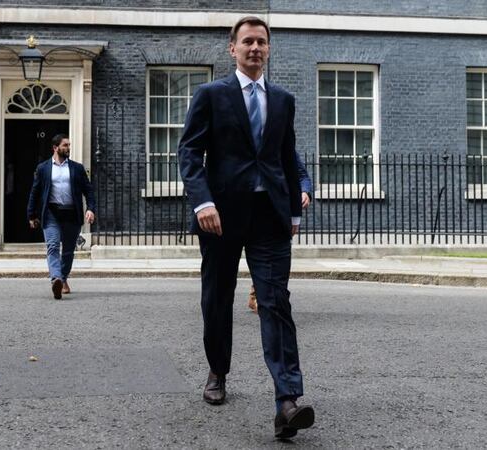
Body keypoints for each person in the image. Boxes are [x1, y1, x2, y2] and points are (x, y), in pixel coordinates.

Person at [177, 16, 315, 439]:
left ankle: (287, 401)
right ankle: (218, 370)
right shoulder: (211, 95)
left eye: (262, 42)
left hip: (270, 216)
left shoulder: (283, 99)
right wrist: (202, 201)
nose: (255, 48)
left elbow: (287, 157)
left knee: (275, 302)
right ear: (232, 48)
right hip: (220, 216)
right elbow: (189, 151)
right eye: (247, 42)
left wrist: (293, 211)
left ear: (268, 49)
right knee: (217, 298)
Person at [27, 134, 95, 300]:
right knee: (52, 246)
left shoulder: (77, 168)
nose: (68, 148)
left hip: (72, 212)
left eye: (69, 145)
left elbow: (89, 190)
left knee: (69, 251)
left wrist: (91, 209)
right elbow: (35, 192)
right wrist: (32, 214)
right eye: (65, 145)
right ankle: (56, 278)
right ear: (55, 148)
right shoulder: (43, 168)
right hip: (51, 213)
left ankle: (63, 278)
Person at [248, 151, 313, 313]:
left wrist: (305, 192)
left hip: (278, 211)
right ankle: (258, 294)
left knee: (273, 258)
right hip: (247, 207)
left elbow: (302, 176)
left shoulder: (283, 145)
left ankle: (265, 295)